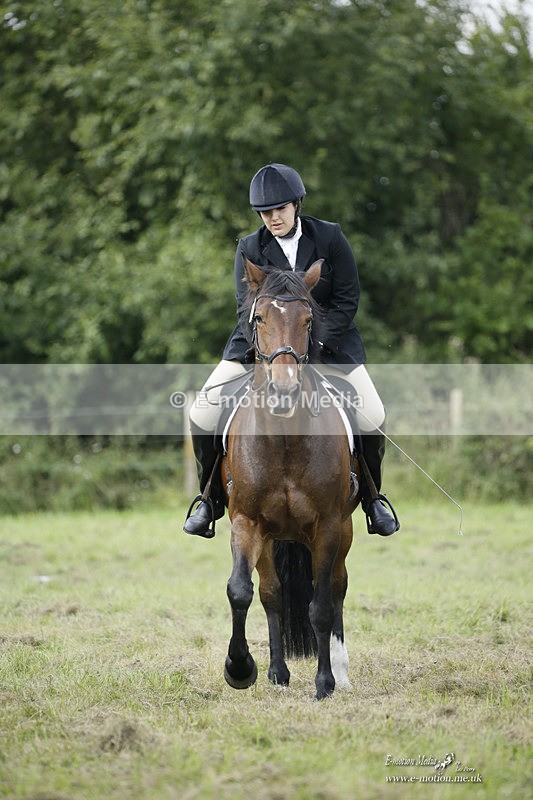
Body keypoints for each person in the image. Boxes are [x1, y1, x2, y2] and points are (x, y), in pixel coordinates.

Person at [183, 163, 399, 539]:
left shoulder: (330, 238)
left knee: (373, 412)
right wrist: (277, 352)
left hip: (331, 348)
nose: (272, 218)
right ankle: (210, 501)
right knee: (202, 412)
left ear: (296, 205)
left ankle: (372, 498)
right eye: (265, 213)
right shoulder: (250, 247)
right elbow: (244, 310)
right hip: (262, 350)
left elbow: (347, 300)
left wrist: (310, 347)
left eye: (279, 209)